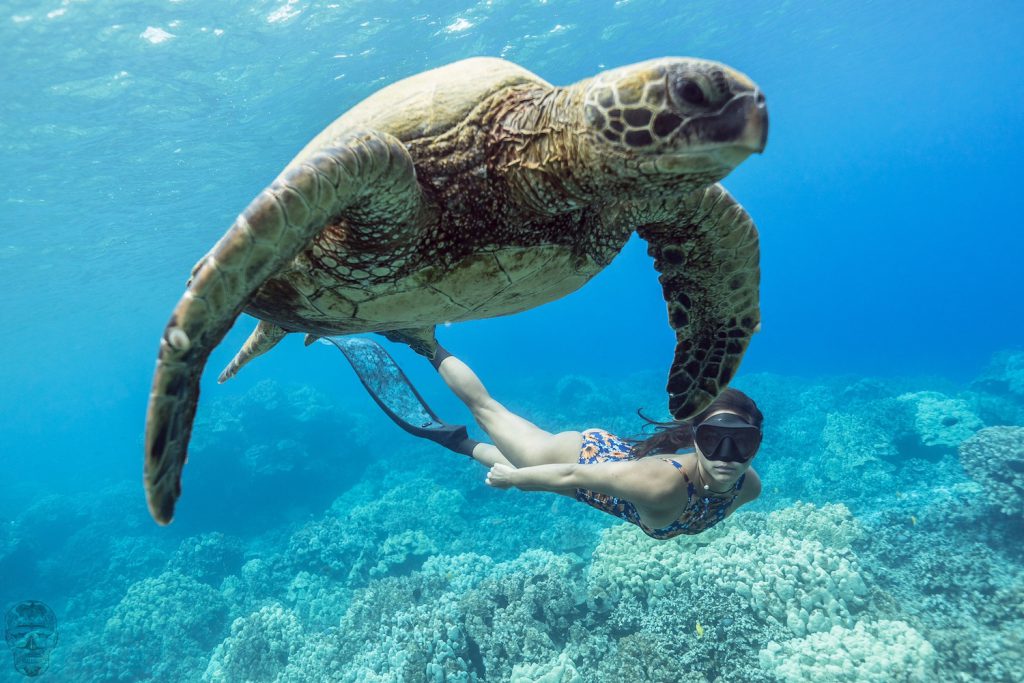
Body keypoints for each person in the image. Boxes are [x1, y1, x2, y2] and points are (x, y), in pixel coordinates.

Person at [328, 338, 763, 540]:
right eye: (713, 439)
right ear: (695, 440)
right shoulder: (662, 483)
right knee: (489, 410)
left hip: (616, 470)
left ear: (756, 445)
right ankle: (424, 341)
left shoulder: (750, 487)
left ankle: (455, 442)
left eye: (740, 443)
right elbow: (573, 474)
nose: (727, 456)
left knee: (513, 460)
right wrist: (515, 481)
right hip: (583, 457)